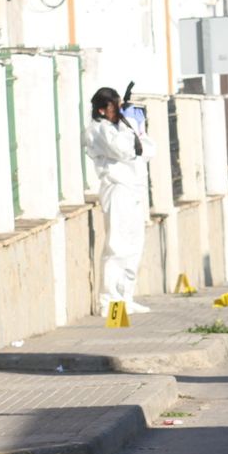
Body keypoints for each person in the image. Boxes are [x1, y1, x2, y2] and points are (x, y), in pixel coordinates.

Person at [83, 86, 154, 316]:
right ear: (102, 110)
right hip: (117, 189)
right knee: (117, 245)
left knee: (134, 245)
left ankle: (126, 297)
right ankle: (110, 301)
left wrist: (138, 128)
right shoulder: (98, 130)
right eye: (116, 106)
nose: (120, 110)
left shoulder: (120, 127)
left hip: (134, 190)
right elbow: (122, 150)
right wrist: (129, 126)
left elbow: (147, 150)